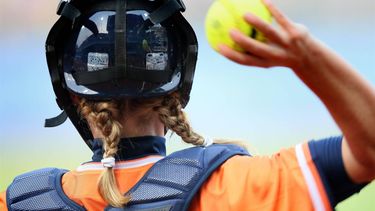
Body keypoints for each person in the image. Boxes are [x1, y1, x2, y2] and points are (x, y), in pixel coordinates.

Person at [1, 0, 374, 210]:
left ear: (71, 94)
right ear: (178, 91)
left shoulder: (17, 202)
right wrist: (307, 58)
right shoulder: (237, 187)